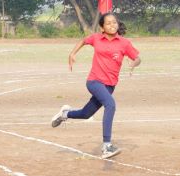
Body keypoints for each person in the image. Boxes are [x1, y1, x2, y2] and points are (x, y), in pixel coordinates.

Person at [50, 13, 141, 159]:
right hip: (94, 81)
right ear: (102, 27)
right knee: (110, 105)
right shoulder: (96, 38)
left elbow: (137, 58)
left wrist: (133, 63)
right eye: (108, 23)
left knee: (86, 113)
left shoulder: (124, 43)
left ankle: (65, 114)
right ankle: (107, 146)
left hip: (110, 85)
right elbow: (83, 41)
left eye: (114, 23)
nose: (112, 25)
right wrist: (72, 53)